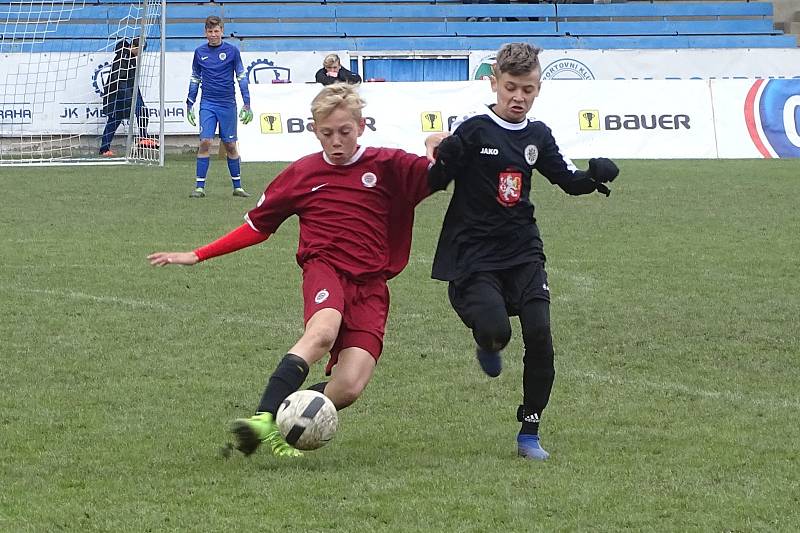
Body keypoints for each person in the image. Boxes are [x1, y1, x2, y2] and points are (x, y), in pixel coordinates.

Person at [148, 83, 441, 458]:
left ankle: (288, 418)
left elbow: (442, 172)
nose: (336, 141)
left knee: (349, 386)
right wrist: (198, 254)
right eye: (327, 133)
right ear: (315, 130)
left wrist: (439, 142)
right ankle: (263, 418)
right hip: (326, 269)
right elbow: (258, 227)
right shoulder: (302, 174)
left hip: (372, 286)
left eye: (345, 132)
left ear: (362, 126)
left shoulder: (389, 166)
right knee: (322, 331)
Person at [426, 42, 619, 461]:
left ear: (538, 87)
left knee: (540, 334)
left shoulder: (538, 135)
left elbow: (567, 180)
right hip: (474, 251)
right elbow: (434, 180)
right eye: (511, 87)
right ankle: (488, 340)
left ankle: (529, 430)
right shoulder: (473, 128)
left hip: (523, 249)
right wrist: (444, 159)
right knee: (498, 331)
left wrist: (595, 176)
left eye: (527, 89)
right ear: (494, 83)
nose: (519, 97)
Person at [186, 15, 253, 199]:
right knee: (205, 142)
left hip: (227, 104)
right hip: (208, 103)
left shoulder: (232, 51)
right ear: (205, 33)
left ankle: (237, 187)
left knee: (230, 145)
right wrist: (189, 104)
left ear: (222, 31)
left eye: (216, 31)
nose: (213, 34)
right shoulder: (199, 52)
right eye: (210, 31)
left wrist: (247, 103)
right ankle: (199, 188)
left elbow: (241, 77)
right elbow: (195, 78)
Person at [99, 37, 156, 156]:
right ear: (134, 47)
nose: (140, 53)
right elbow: (120, 80)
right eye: (140, 50)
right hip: (116, 95)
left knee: (143, 111)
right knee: (114, 121)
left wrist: (137, 95)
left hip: (129, 92)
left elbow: (132, 80)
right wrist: (130, 98)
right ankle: (104, 149)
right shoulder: (121, 58)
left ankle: (143, 137)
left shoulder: (132, 59)